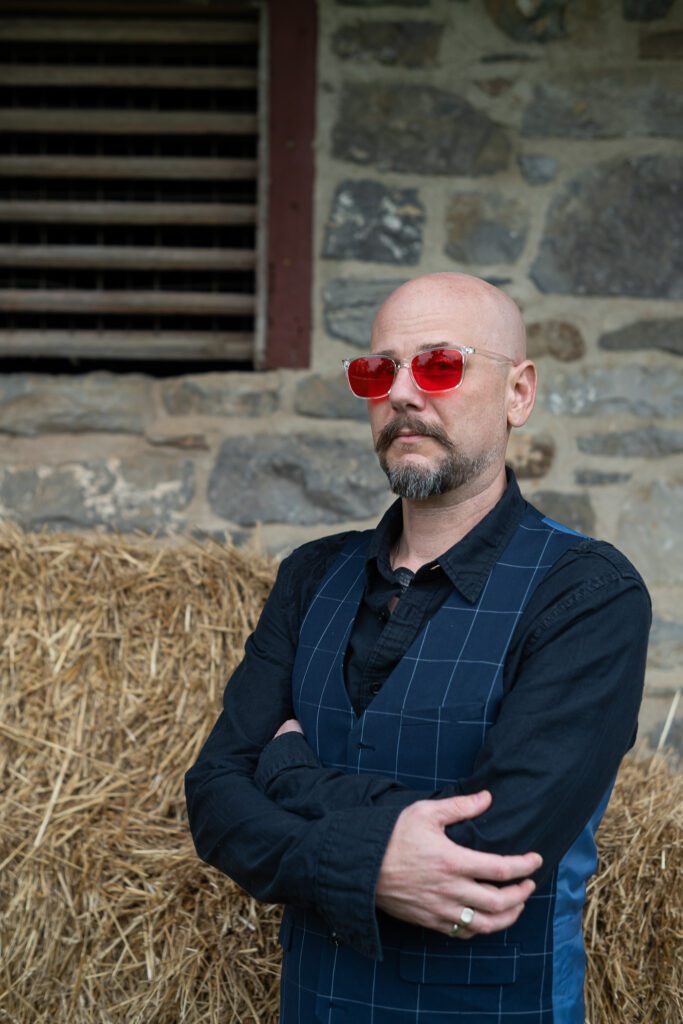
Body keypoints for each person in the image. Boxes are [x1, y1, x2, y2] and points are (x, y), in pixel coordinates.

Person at [185, 273, 650, 1023]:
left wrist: (291, 774)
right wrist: (375, 862)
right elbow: (213, 799)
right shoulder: (311, 575)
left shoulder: (587, 592)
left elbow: (490, 849)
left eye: (439, 365)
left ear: (518, 393)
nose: (401, 392)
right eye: (378, 370)